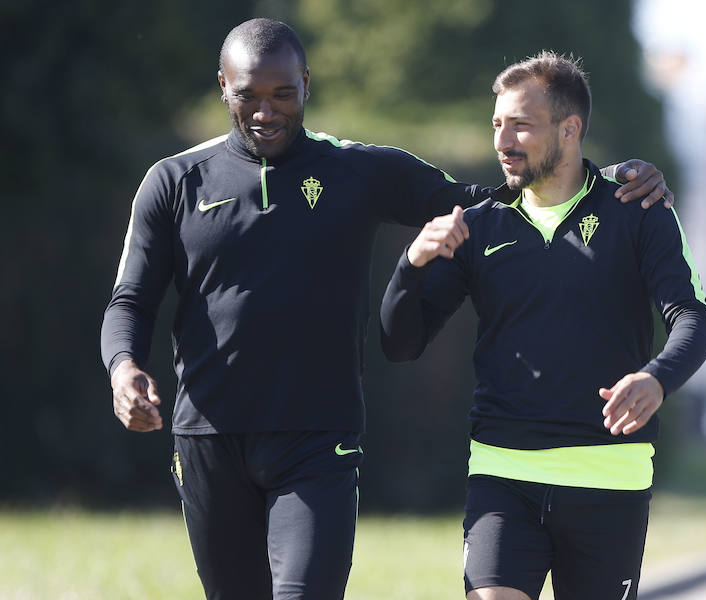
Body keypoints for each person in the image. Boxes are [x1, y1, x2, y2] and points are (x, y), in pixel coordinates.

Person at [99, 19, 672, 600]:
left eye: (283, 94)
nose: (265, 111)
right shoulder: (173, 182)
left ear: (306, 84)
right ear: (223, 85)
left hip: (318, 442)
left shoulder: (358, 169)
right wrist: (124, 368)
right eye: (248, 95)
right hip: (207, 437)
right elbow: (130, 301)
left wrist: (617, 179)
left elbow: (502, 198)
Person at [380, 51, 706, 600]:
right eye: (497, 124)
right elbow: (400, 343)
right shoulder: (481, 223)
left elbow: (694, 320)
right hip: (501, 474)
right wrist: (409, 265)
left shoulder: (639, 209)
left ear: (569, 128)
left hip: (609, 480)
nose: (502, 141)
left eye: (521, 125)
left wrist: (656, 378)